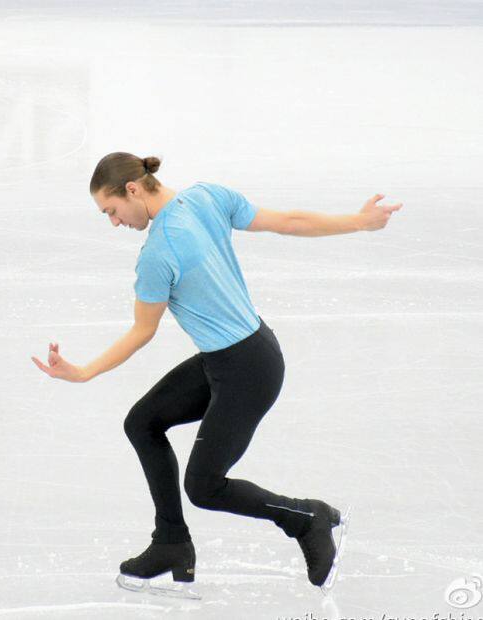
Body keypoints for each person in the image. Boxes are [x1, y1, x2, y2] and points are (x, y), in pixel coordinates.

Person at [31, 152, 403, 596]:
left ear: (132, 190)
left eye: (111, 210)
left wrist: (84, 372)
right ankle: (170, 542)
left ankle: (307, 518)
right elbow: (288, 221)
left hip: (246, 371)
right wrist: (359, 222)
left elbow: (142, 331)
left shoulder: (157, 255)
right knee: (142, 422)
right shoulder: (207, 196)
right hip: (244, 354)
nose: (114, 222)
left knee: (204, 487)